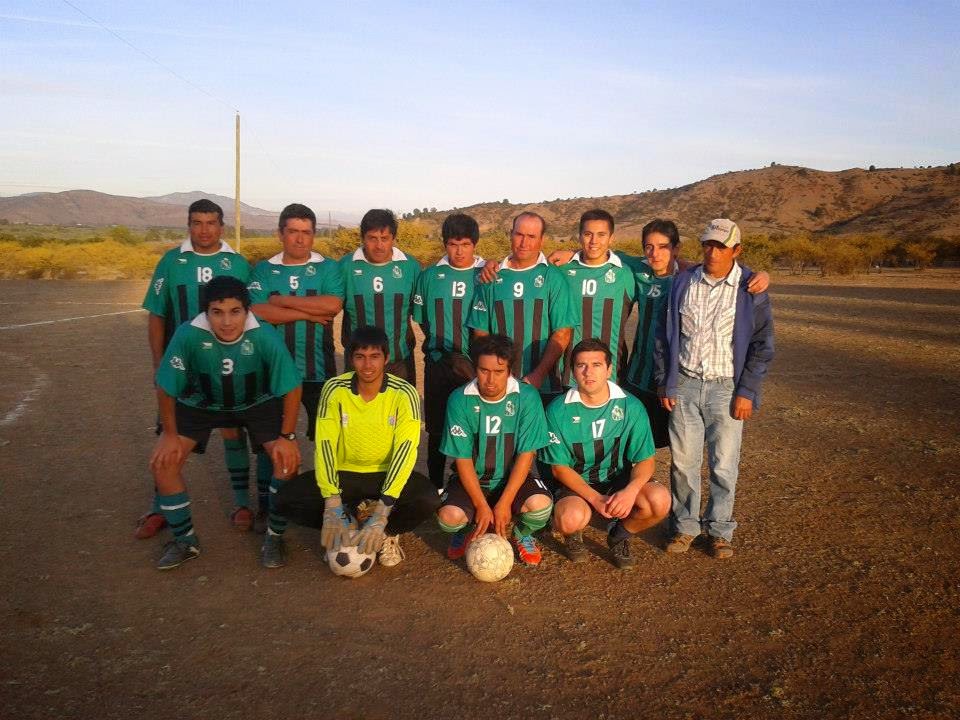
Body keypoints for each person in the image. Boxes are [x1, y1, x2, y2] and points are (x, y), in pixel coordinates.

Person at [149, 276, 302, 570]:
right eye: (217, 312)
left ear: (248, 311)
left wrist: (288, 436)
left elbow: (291, 387)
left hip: (255, 402)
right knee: (162, 463)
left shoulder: (264, 334)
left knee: (287, 461)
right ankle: (185, 541)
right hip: (201, 404)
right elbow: (166, 386)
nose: (227, 322)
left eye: (235, 311)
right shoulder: (188, 334)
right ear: (206, 312)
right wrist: (169, 433)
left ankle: (274, 537)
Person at [656, 219, 774, 559]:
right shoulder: (683, 283)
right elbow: (665, 338)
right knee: (683, 463)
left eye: (721, 246)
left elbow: (762, 344)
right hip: (686, 384)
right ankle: (685, 527)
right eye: (708, 244)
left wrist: (747, 391)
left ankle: (720, 531)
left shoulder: (751, 289)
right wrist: (667, 380)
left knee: (724, 465)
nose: (712, 251)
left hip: (727, 388)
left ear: (736, 250)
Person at [274, 326, 440, 567]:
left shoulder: (405, 393)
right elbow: (325, 447)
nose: (368, 365)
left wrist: (383, 513)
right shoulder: (334, 389)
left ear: (386, 358)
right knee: (285, 500)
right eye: (360, 357)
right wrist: (331, 504)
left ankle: (387, 533)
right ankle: (347, 517)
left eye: (375, 357)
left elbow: (405, 452)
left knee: (428, 499)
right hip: (345, 474)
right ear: (351, 359)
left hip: (384, 474)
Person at [139, 199, 254, 539]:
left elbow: (251, 315)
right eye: (197, 223)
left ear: (222, 225)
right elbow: (157, 314)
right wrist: (159, 363)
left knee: (233, 431)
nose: (204, 230)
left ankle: (240, 503)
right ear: (188, 225)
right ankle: (160, 507)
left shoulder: (236, 263)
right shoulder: (172, 261)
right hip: (182, 367)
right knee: (169, 435)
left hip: (227, 367)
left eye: (211, 223)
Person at [248, 203, 344, 528]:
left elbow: (332, 305)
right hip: (273, 374)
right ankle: (268, 505)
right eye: (293, 232)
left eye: (306, 233)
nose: (300, 239)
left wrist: (282, 301)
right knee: (270, 442)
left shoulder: (328, 269)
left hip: (319, 371)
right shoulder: (263, 270)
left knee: (326, 440)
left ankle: (322, 501)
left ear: (313, 235)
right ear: (280, 234)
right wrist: (308, 313)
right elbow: (259, 312)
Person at [542, 339, 668, 569]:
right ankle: (574, 534)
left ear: (609, 370)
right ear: (572, 370)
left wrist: (630, 491)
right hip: (576, 482)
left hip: (615, 479)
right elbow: (558, 468)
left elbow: (645, 460)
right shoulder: (557, 410)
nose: (588, 372)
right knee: (570, 518)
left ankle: (619, 534)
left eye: (597, 365)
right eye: (581, 365)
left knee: (658, 501)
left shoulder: (631, 406)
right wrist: (594, 498)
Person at [437, 335, 554, 566]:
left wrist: (504, 502)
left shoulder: (527, 397)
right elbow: (462, 459)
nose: (490, 379)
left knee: (541, 508)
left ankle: (522, 534)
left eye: (498, 372)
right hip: (473, 479)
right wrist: (481, 505)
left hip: (512, 479)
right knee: (448, 519)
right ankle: (469, 526)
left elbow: (526, 456)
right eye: (483, 370)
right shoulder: (459, 400)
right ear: (475, 368)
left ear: (510, 371)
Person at [467, 212, 575, 405]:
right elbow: (481, 332)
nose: (524, 242)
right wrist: (497, 373)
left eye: (532, 236)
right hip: (500, 386)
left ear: (541, 240)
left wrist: (538, 374)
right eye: (519, 234)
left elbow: (562, 333)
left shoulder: (554, 278)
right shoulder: (490, 277)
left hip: (544, 384)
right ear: (511, 234)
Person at [412, 213, 485, 490]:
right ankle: (435, 485)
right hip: (438, 362)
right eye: (453, 244)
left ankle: (468, 483)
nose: (459, 251)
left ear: (474, 244)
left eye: (465, 244)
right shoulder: (429, 276)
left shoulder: (486, 274)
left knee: (473, 425)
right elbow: (421, 318)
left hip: (475, 364)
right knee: (437, 427)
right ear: (445, 244)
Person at [556, 209, 636, 387]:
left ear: (611, 238)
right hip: (570, 376)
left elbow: (658, 264)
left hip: (612, 376)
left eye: (601, 235)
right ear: (579, 236)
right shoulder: (562, 270)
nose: (594, 241)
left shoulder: (626, 273)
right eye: (588, 234)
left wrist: (682, 264)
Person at [339, 209, 420, 381]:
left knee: (402, 408)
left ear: (393, 238)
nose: (379, 245)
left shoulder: (410, 266)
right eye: (372, 238)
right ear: (362, 238)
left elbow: (421, 311)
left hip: (400, 361)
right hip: (358, 362)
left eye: (385, 239)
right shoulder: (345, 266)